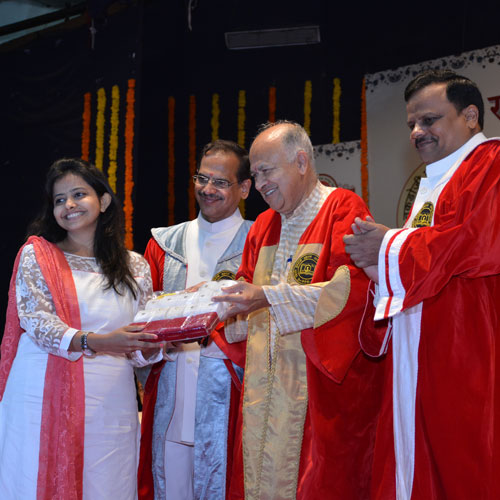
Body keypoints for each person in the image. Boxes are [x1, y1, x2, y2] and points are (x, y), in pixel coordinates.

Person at [344, 70, 500, 499]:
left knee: (467, 464)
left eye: (429, 120)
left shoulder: (490, 163)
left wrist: (389, 245)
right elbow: (431, 256)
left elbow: (478, 241)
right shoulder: (435, 179)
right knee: (421, 461)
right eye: (412, 123)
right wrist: (378, 264)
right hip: (425, 347)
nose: (416, 132)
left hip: (470, 345)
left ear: (471, 116)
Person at [212, 121, 386, 500]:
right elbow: (245, 290)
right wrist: (212, 304)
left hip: (319, 396)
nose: (260, 185)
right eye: (255, 175)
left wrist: (268, 298)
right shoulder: (263, 226)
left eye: (267, 171)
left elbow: (353, 292)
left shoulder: (340, 208)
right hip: (263, 391)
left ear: (302, 162)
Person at [0, 158, 162, 500]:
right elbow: (36, 321)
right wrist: (99, 342)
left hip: (111, 398)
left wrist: (161, 339)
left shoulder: (135, 265)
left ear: (103, 201)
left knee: (107, 481)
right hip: (42, 392)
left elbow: (142, 335)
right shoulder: (37, 255)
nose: (69, 205)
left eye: (78, 194)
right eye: (59, 200)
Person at [137, 140, 253, 500]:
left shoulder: (260, 240)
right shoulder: (164, 244)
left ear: (245, 188)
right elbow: (141, 318)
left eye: (220, 182)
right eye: (202, 178)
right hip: (170, 389)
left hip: (230, 395)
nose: (207, 189)